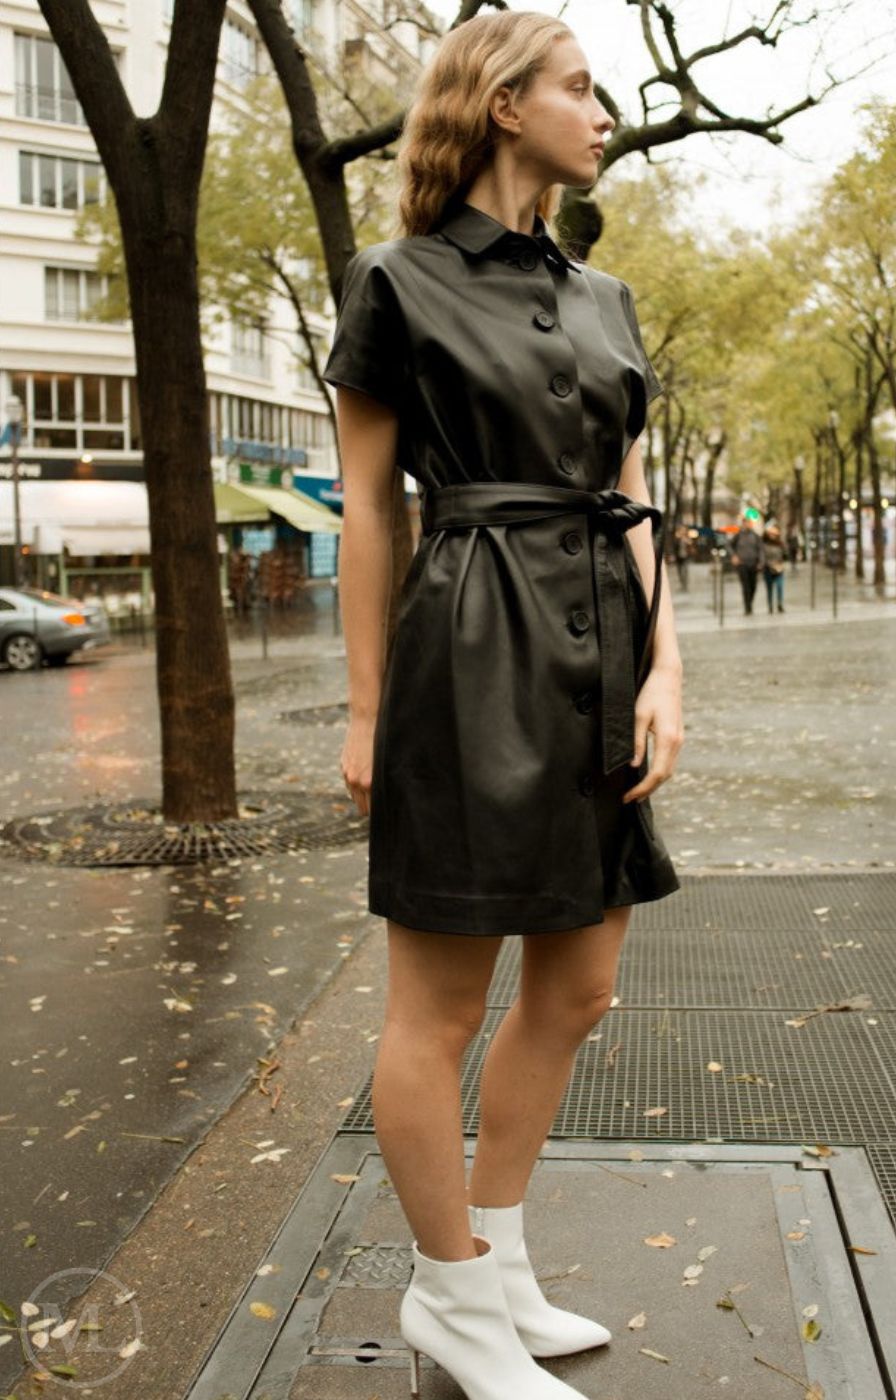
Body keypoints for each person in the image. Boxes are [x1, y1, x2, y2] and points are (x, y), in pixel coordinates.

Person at [323, 12, 684, 1398]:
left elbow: (635, 492)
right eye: (582, 88)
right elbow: (365, 510)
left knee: (584, 984)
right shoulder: (395, 281)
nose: (606, 112)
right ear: (502, 103)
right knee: (439, 1006)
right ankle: (452, 1302)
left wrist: (668, 668)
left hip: (606, 647)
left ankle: (502, 1258)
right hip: (470, 645)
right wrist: (364, 713)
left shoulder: (607, 299)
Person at [730, 515, 764, 614]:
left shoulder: (756, 536)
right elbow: (729, 545)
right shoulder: (738, 535)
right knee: (745, 586)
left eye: (749, 522)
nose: (748, 524)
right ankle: (747, 607)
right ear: (743, 523)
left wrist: (761, 562)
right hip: (742, 564)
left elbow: (760, 549)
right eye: (746, 522)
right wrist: (734, 556)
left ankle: (750, 602)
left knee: (753, 586)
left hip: (753, 563)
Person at [762, 523, 786, 614]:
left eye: (774, 534)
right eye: (771, 533)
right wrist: (769, 565)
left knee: (780, 587)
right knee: (769, 589)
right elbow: (762, 556)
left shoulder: (780, 544)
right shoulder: (764, 544)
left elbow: (785, 555)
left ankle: (780, 604)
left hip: (779, 569)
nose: (773, 535)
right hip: (768, 569)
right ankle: (770, 606)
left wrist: (780, 564)